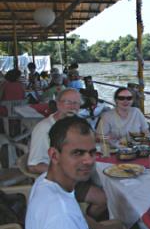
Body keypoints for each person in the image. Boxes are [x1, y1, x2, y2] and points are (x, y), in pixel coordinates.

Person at [25, 116, 143, 229]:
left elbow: (78, 215)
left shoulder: (46, 181)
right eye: (77, 153)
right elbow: (67, 216)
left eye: (92, 152)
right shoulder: (61, 218)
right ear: (54, 155)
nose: (89, 161)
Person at [27, 88, 107, 218]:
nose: (72, 106)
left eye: (76, 103)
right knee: (104, 198)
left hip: (80, 174)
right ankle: (87, 225)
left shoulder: (77, 122)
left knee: (109, 184)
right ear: (58, 104)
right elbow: (33, 165)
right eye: (67, 102)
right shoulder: (44, 129)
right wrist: (65, 171)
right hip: (61, 181)